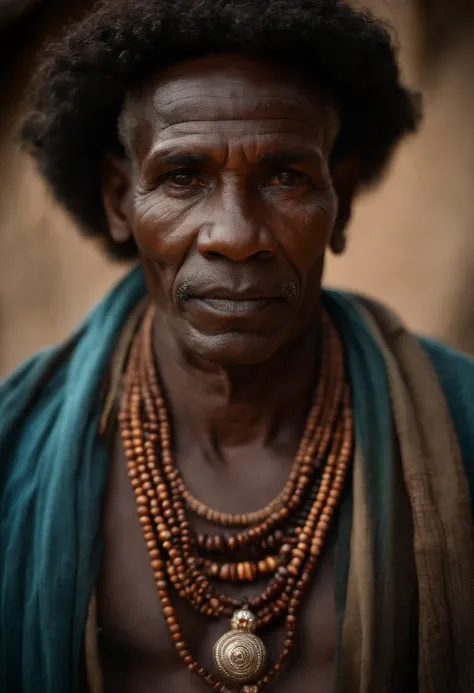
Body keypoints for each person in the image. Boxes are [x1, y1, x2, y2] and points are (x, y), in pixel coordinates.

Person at [2, 0, 474, 691]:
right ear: (117, 200)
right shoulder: (15, 449)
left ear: (339, 199)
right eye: (183, 177)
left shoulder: (462, 429)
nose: (236, 233)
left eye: (285, 177)